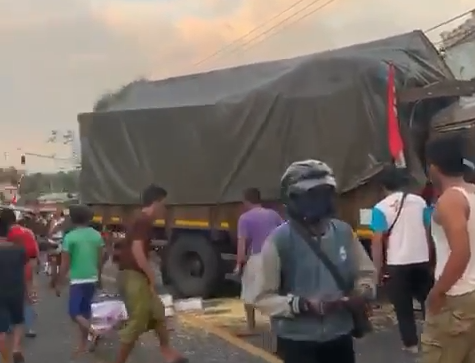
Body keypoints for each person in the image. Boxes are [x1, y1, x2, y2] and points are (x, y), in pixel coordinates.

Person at [250, 160, 376, 363]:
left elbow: (366, 273)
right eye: (311, 195)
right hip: (297, 341)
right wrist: (302, 305)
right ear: (292, 198)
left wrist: (362, 292)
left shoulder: (343, 233)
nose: (320, 201)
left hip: (339, 336)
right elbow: (262, 297)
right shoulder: (279, 240)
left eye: (324, 193)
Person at [114, 185, 188, 363]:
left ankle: (167, 351)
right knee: (138, 320)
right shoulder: (143, 220)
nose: (165, 209)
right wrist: (151, 275)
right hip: (133, 275)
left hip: (134, 274)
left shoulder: (140, 219)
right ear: (155, 202)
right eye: (164, 204)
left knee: (158, 312)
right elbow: (137, 250)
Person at [421, 134, 475, 363]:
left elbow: (461, 252)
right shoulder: (472, 192)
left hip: (457, 297)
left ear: (433, 166)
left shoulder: (450, 199)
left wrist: (438, 291)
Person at [369, 167, 433, 353]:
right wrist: (429, 255)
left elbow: (377, 241)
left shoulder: (380, 208)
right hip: (421, 259)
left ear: (383, 187)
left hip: (397, 264)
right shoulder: (420, 202)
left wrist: (377, 269)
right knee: (427, 302)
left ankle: (411, 344)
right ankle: (432, 339)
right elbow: (428, 230)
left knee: (403, 306)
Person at [56, 205, 104, 355]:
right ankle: (82, 345)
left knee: (74, 312)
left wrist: (59, 281)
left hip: (77, 279)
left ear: (72, 219)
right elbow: (100, 259)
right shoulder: (96, 235)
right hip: (92, 277)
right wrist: (99, 276)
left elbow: (65, 264)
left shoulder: (70, 237)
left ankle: (93, 332)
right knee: (84, 313)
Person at [235, 187, 282, 335]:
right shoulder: (273, 214)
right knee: (274, 291)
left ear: (246, 201)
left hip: (257, 257)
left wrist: (239, 264)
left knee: (248, 292)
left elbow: (241, 244)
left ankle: (251, 326)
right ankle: (277, 327)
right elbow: (283, 233)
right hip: (275, 256)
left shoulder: (245, 218)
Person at [0, 208, 30, 363]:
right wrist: (29, 291)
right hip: (17, 289)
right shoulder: (19, 249)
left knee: (1, 330)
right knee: (18, 321)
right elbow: (26, 271)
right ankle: (17, 348)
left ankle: (5, 359)